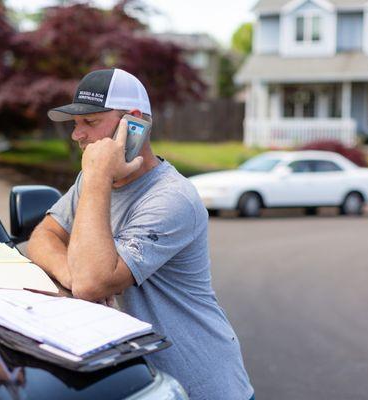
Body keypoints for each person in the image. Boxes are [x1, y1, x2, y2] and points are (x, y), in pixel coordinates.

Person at [27, 68, 254, 400]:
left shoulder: (171, 198)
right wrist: (69, 272)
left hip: (201, 388)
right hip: (142, 383)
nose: (78, 135)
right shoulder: (91, 182)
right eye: (75, 124)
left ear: (133, 123)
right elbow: (44, 235)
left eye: (89, 123)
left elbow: (93, 283)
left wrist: (97, 178)